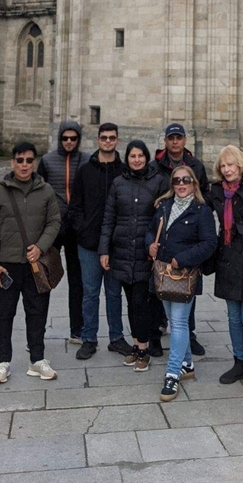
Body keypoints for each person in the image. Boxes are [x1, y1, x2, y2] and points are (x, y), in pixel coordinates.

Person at [0, 141, 61, 384]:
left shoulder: (46, 191)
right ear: (12, 162)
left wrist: (40, 247)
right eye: (19, 160)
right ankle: (2, 362)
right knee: (5, 313)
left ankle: (37, 359)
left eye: (28, 160)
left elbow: (54, 222)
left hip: (35, 264)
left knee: (37, 312)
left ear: (34, 162)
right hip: (7, 265)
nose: (24, 165)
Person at [145, 165, 217, 402]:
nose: (181, 184)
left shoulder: (201, 210)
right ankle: (186, 364)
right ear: (172, 184)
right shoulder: (164, 206)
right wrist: (150, 245)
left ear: (194, 183)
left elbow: (209, 244)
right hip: (163, 274)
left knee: (178, 322)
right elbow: (150, 230)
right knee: (176, 321)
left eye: (186, 179)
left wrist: (181, 259)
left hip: (184, 276)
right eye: (177, 180)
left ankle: (173, 372)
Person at [98, 140, 164, 372]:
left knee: (141, 302)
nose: (137, 160)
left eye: (140, 156)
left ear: (146, 157)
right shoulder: (118, 183)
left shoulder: (157, 182)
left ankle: (144, 349)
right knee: (130, 302)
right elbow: (109, 218)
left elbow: (161, 218)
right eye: (132, 156)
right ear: (127, 159)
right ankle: (136, 346)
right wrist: (104, 250)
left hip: (145, 253)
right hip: (122, 252)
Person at [68, 122, 131, 359]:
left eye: (111, 138)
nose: (107, 141)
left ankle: (116, 337)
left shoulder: (123, 171)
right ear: (98, 140)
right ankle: (89, 338)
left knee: (114, 293)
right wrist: (83, 231)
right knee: (90, 293)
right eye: (103, 138)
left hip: (115, 245)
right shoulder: (85, 170)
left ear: (117, 140)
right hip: (89, 243)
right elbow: (75, 207)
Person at [148, 123, 210, 357]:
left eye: (179, 138)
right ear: (165, 141)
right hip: (162, 235)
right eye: (171, 138)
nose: (175, 142)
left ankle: (188, 336)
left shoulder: (196, 166)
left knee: (186, 289)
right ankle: (155, 335)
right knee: (158, 290)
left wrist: (198, 222)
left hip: (188, 238)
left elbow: (204, 196)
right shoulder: (156, 166)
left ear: (185, 140)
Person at [208, 145, 243, 391]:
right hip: (228, 260)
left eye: (231, 164)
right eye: (223, 165)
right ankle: (239, 361)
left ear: (241, 165)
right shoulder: (216, 192)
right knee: (233, 318)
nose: (227, 169)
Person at [37, 120, 88, 345]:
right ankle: (37, 330)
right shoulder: (47, 161)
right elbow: (38, 193)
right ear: (60, 138)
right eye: (65, 138)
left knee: (78, 281)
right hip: (54, 229)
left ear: (78, 139)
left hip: (77, 228)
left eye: (73, 138)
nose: (69, 142)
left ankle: (77, 329)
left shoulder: (86, 161)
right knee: (45, 277)